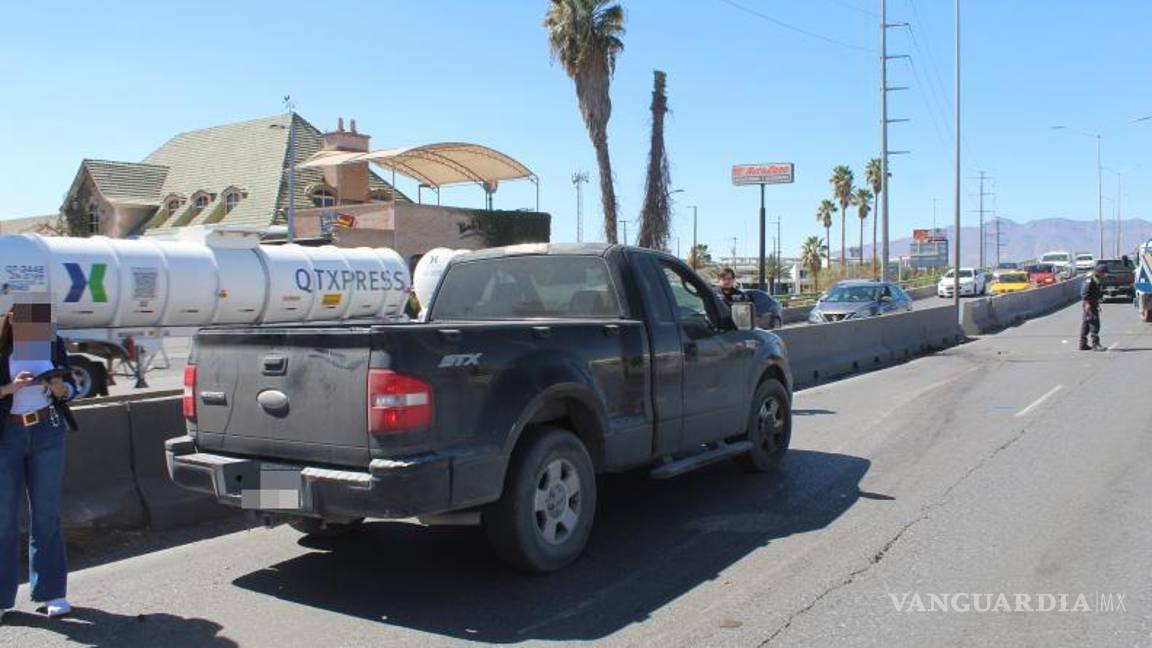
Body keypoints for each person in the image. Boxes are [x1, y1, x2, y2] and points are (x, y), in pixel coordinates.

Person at [0, 301, 78, 621]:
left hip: (47, 431)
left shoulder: (51, 343)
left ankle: (52, 593)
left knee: (46, 514)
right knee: (4, 519)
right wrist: (9, 388)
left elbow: (71, 389)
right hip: (8, 436)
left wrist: (60, 387)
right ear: (11, 320)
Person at [1080, 263, 1105, 351]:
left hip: (1093, 303)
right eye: (1103, 273)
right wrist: (1087, 304)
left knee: (1086, 324)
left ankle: (1082, 344)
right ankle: (1096, 344)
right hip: (1089, 304)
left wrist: (1097, 303)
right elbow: (1084, 292)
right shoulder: (1090, 279)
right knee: (1094, 323)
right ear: (1098, 272)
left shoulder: (1096, 278)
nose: (1104, 275)